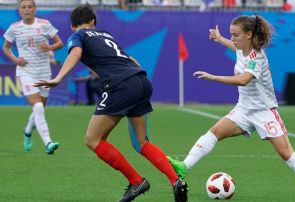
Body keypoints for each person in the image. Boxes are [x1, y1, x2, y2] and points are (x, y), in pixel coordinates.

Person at [167, 15, 295, 202]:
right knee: (214, 132)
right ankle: (184, 166)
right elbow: (236, 48)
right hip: (244, 110)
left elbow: (244, 80)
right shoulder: (241, 48)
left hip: (265, 112)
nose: (233, 38)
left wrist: (213, 77)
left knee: (287, 154)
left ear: (248, 35)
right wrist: (221, 39)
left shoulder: (257, 57)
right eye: (231, 34)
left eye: (235, 35)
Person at [34, 4, 188, 202]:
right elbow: (131, 60)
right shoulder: (105, 34)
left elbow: (74, 54)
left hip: (121, 86)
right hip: (140, 80)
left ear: (73, 27)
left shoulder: (78, 35)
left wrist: (58, 78)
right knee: (141, 143)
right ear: (94, 23)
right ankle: (176, 180)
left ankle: (136, 182)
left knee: (93, 139)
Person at [2, 0, 63, 154]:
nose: (27, 9)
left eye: (30, 7)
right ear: (19, 10)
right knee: (38, 107)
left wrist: (48, 47)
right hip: (26, 72)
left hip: (44, 72)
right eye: (24, 7)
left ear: (35, 9)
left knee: (40, 108)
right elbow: (6, 47)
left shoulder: (44, 24)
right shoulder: (14, 28)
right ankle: (48, 142)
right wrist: (15, 60)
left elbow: (60, 43)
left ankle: (28, 132)